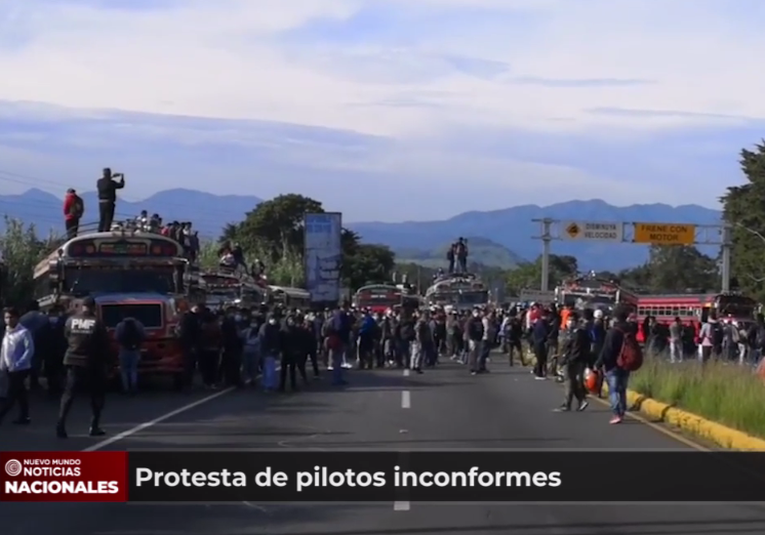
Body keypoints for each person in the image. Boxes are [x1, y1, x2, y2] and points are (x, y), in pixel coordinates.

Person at [57, 296, 111, 438]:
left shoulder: (71, 320)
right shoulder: (97, 322)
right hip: (92, 362)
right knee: (97, 395)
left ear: (82, 306)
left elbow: (66, 336)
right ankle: (94, 426)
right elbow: (104, 344)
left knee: (68, 394)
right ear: (93, 307)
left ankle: (60, 424)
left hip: (72, 360)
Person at [0, 307, 35, 426]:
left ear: (17, 318)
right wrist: (2, 365)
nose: (8, 320)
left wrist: (19, 363)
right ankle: (25, 416)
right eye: (6, 317)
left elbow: (29, 350)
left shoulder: (24, 332)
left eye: (11, 317)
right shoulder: (6, 332)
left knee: (11, 394)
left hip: (20, 369)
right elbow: (5, 350)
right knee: (21, 393)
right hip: (9, 367)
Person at [115, 316, 145, 394]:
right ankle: (134, 386)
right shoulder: (139, 324)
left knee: (124, 369)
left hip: (123, 349)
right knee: (133, 369)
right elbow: (143, 335)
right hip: (135, 349)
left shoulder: (120, 325)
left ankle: (126, 388)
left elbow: (116, 337)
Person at [97, 168, 125, 232]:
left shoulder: (99, 182)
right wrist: (122, 177)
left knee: (102, 218)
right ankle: (106, 231)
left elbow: (106, 182)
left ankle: (100, 231)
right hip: (109, 203)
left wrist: (111, 177)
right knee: (108, 219)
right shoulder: (112, 183)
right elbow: (121, 185)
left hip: (101, 203)